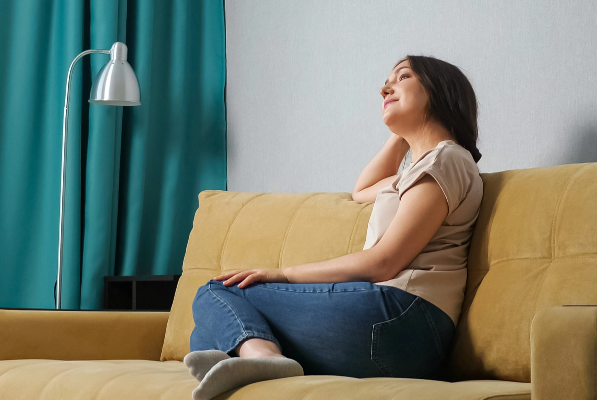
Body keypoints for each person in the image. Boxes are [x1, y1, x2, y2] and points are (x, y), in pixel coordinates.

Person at [183, 55, 484, 400]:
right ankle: (264, 360)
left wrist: (283, 274)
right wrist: (403, 133)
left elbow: (384, 262)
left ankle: (262, 357)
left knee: (217, 293)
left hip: (404, 318)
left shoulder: (446, 159)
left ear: (439, 92)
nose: (385, 87)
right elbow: (361, 192)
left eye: (402, 77)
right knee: (208, 332)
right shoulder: (413, 174)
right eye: (386, 82)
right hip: (400, 335)